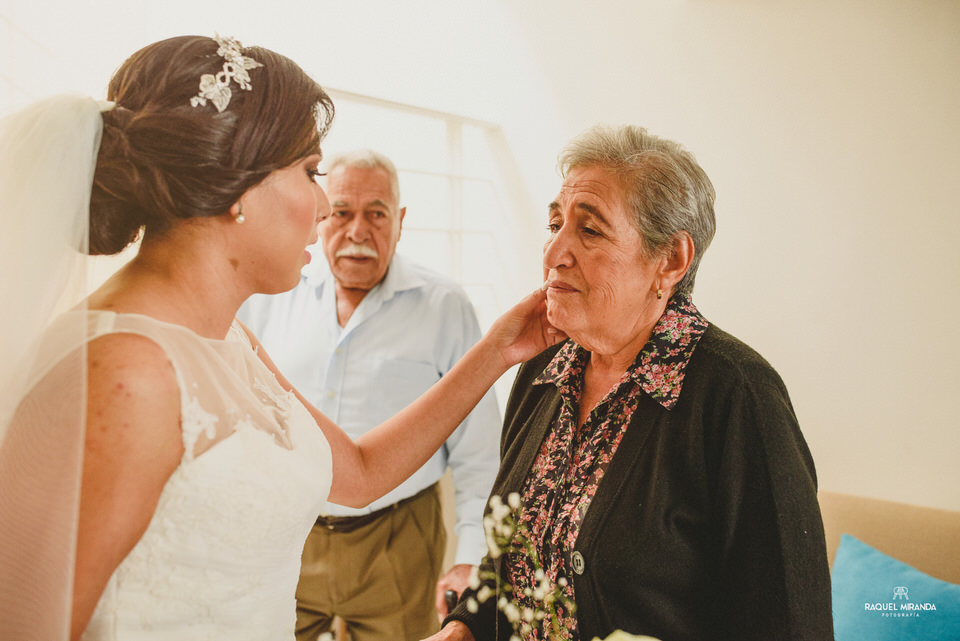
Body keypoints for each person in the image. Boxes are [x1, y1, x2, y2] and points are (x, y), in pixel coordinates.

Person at [0, 35, 562, 641]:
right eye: (310, 172)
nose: (324, 207)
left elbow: (362, 471)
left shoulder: (226, 339)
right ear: (239, 187)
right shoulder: (123, 372)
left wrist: (501, 348)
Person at [430, 125, 834, 641]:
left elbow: (790, 622)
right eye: (554, 224)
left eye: (590, 230)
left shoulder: (738, 395)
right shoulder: (542, 371)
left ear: (669, 260)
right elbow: (512, 557)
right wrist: (463, 627)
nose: (555, 251)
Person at [239, 149, 500, 641]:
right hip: (286, 535)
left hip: (399, 539)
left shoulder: (444, 306)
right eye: (342, 213)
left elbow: (479, 452)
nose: (358, 231)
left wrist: (470, 560)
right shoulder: (270, 292)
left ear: (399, 221)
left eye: (376, 214)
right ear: (320, 215)